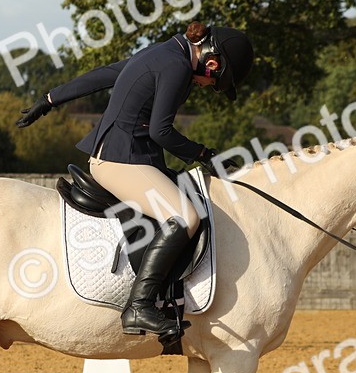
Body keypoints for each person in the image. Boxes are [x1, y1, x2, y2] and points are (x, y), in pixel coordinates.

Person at [16, 21, 254, 342]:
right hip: (122, 161)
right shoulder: (177, 66)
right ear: (213, 63)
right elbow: (161, 131)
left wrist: (50, 99)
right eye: (214, 82)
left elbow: (106, 74)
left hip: (127, 156)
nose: (206, 86)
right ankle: (139, 305)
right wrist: (204, 153)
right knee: (186, 216)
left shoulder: (162, 51)